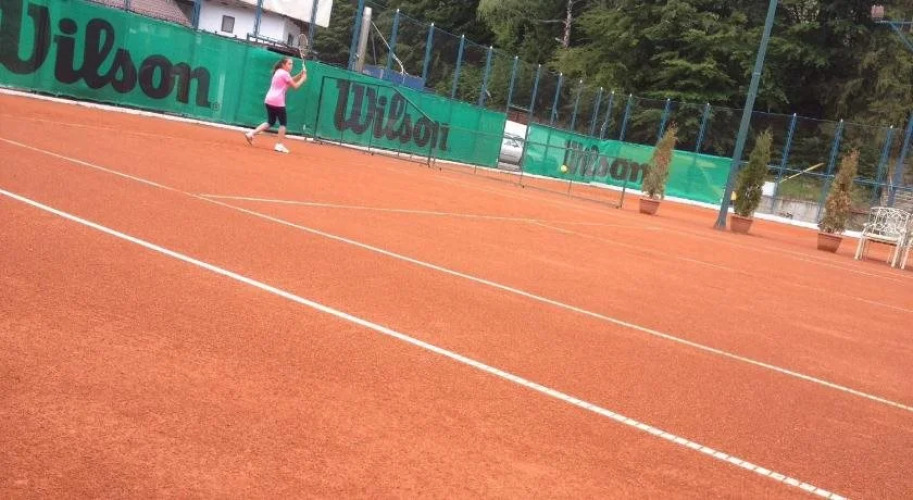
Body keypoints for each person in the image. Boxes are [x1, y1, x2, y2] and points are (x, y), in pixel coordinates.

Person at [245, 57, 307, 153]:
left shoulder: (278, 72)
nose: (291, 66)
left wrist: (300, 74)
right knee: (283, 124)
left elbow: (290, 81)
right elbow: (295, 86)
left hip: (269, 100)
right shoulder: (285, 74)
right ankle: (279, 145)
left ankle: (251, 134)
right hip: (278, 101)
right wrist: (303, 79)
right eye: (289, 64)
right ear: (283, 65)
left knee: (270, 122)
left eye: (292, 64)